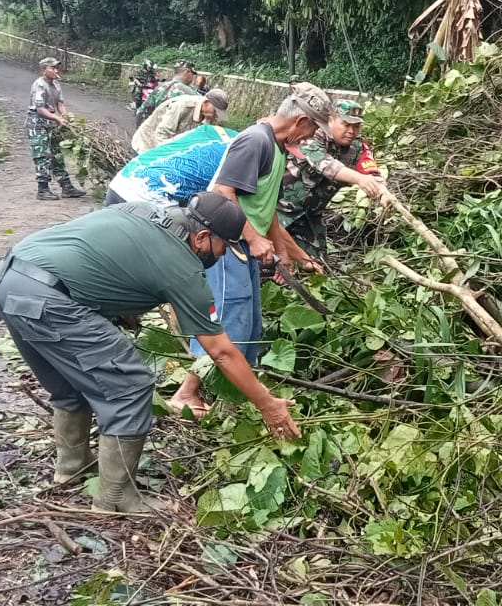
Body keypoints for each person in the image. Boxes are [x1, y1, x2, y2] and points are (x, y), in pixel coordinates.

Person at [0, 192, 300, 513]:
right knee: (131, 385)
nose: (221, 257)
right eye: (224, 248)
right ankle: (115, 498)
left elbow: (105, 250)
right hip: (49, 300)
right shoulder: (182, 265)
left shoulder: (145, 211)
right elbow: (221, 351)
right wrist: (267, 404)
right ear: (203, 237)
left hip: (9, 279)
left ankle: (72, 468)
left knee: (70, 384)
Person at [166, 83, 334, 415]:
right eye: (313, 127)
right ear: (300, 121)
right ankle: (186, 392)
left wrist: (285, 251)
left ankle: (233, 395)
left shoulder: (278, 147)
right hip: (223, 242)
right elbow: (225, 194)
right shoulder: (255, 141)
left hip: (242, 243)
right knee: (227, 321)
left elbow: (265, 206)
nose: (312, 135)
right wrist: (255, 239)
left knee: (250, 324)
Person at [277, 99, 388, 259]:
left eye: (356, 127)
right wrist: (359, 179)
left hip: (310, 217)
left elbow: (372, 171)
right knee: (272, 265)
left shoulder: (357, 146)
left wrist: (383, 191)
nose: (351, 131)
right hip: (280, 212)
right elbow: (324, 164)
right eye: (346, 124)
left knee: (317, 266)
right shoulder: (312, 135)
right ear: (331, 120)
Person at [110, 121, 240, 207]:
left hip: (123, 179)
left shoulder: (214, 129)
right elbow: (223, 196)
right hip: (148, 198)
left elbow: (168, 143)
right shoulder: (244, 156)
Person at [28, 57, 87, 201]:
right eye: (52, 68)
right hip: (37, 123)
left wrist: (68, 118)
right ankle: (42, 189)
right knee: (42, 155)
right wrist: (58, 119)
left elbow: (60, 105)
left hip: (52, 122)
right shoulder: (39, 85)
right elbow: (40, 109)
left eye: (56, 68)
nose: (56, 70)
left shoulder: (56, 85)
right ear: (44, 70)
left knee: (57, 154)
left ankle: (66, 187)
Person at [130, 87, 231, 153]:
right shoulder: (182, 106)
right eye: (216, 111)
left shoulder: (208, 114)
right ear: (206, 102)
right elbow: (161, 135)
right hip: (146, 145)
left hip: (169, 144)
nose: (216, 115)